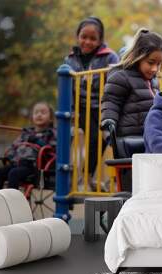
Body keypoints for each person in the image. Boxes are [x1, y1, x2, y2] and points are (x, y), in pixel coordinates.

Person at [64, 16, 119, 185]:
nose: (87, 42)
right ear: (77, 36)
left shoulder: (109, 58)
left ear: (100, 40)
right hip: (79, 108)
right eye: (83, 37)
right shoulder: (70, 59)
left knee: (101, 138)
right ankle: (64, 177)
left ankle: (89, 176)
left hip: (99, 107)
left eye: (93, 38)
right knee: (66, 137)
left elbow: (115, 81)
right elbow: (67, 88)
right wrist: (71, 111)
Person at [100, 28, 162, 137]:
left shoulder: (154, 81)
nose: (155, 69)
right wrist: (109, 125)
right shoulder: (121, 77)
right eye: (151, 63)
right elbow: (111, 102)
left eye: (158, 64)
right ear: (138, 57)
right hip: (130, 138)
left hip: (150, 137)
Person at [0, 102, 56, 190]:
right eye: (36, 112)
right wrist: (10, 156)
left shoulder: (51, 133)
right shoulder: (26, 133)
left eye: (43, 112)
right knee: (0, 172)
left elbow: (51, 150)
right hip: (17, 163)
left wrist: (38, 141)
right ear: (32, 117)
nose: (39, 115)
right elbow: (14, 146)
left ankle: (12, 201)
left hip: (34, 166)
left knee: (14, 173)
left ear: (51, 118)